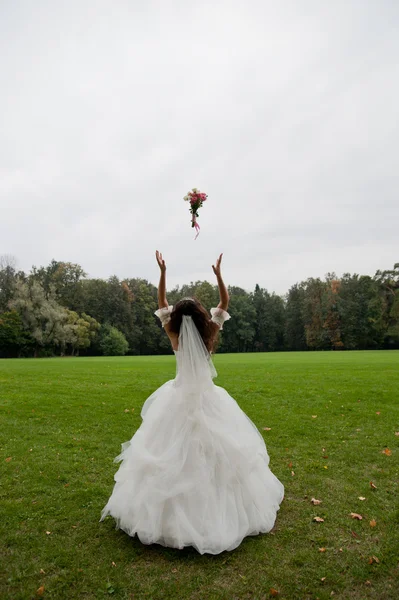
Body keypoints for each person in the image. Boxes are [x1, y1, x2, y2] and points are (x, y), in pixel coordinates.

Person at [100, 251, 284, 555]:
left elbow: (161, 303)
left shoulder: (173, 331)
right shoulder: (209, 331)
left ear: (177, 317)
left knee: (170, 452)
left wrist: (162, 271)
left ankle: (169, 520)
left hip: (179, 396)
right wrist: (219, 275)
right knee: (217, 454)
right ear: (199, 314)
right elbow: (224, 303)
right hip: (206, 397)